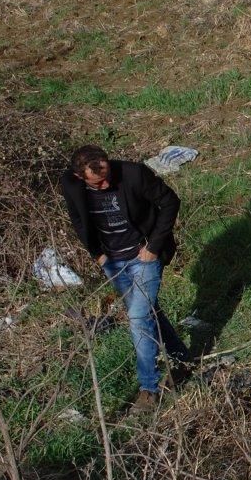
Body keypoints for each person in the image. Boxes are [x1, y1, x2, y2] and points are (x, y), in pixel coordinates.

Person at [60, 145, 191, 414]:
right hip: (112, 262)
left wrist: (153, 246)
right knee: (146, 313)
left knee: (137, 318)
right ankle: (182, 359)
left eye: (107, 175)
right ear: (80, 177)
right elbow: (77, 219)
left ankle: (148, 389)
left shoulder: (134, 174)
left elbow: (170, 202)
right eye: (98, 183)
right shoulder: (70, 184)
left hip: (144, 256)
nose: (106, 183)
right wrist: (97, 255)